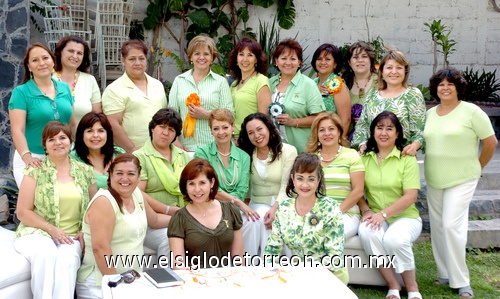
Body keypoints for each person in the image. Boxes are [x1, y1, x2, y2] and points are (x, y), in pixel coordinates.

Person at [424, 68, 498, 298]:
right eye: (441, 84)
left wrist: (478, 167)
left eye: (450, 84)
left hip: (463, 177)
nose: (445, 87)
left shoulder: (471, 111)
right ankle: (444, 273)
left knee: (451, 226)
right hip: (435, 177)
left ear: (458, 87)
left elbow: (490, 142)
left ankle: (461, 281)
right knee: (437, 227)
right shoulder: (431, 114)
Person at [14, 121, 97, 299]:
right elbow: (23, 212)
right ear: (45, 145)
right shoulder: (35, 171)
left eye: (62, 137)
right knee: (46, 252)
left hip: (71, 236)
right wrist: (51, 230)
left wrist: (85, 229)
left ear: (70, 141)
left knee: (67, 260)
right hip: (37, 233)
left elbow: (94, 208)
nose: (58, 142)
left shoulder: (85, 171)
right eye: (51, 139)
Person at [76, 154, 170, 299]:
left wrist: (187, 218)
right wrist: (115, 287)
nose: (124, 179)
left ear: (139, 177)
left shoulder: (136, 194)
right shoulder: (104, 201)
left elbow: (155, 220)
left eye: (131, 174)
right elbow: (100, 249)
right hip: (102, 284)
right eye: (119, 173)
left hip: (131, 281)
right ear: (110, 175)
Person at [357, 111, 422, 299]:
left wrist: (382, 215)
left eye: (389, 128)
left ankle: (412, 288)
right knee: (367, 232)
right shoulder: (364, 158)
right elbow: (356, 191)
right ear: (373, 132)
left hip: (405, 217)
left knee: (394, 239)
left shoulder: (407, 159)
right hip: (376, 214)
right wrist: (366, 209)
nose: (383, 133)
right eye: (379, 128)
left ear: (397, 134)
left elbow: (410, 196)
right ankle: (393, 285)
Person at [264, 152, 347, 284]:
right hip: (297, 274)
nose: (305, 185)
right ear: (292, 178)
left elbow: (334, 255)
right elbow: (272, 249)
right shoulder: (284, 208)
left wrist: (310, 279)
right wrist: (267, 273)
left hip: (329, 276)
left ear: (319, 180)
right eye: (300, 178)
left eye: (311, 179)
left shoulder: (331, 208)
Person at [9, 42, 77, 187]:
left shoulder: (64, 88)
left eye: (45, 58)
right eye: (35, 60)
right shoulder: (21, 93)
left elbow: (72, 124)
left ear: (53, 61)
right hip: (34, 159)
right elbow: (17, 130)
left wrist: (82, 151)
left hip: (64, 156)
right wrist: (27, 158)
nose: (42, 63)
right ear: (29, 67)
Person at [237, 112, 297, 256]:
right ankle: (263, 268)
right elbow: (246, 187)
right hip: (258, 202)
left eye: (259, 129)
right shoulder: (246, 154)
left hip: (285, 202)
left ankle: (288, 268)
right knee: (263, 218)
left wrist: (276, 208)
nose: (256, 135)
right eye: (251, 133)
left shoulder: (288, 151)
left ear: (269, 128)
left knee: (280, 220)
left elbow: (286, 185)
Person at [168, 158, 244, 269]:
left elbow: (239, 257)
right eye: (191, 184)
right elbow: (178, 265)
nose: (197, 189)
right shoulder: (179, 218)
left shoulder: (231, 210)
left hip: (226, 279)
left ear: (212, 183)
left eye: (202, 183)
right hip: (195, 279)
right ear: (185, 186)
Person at [133, 108, 189, 257]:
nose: (166, 133)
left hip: (184, 216)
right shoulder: (140, 157)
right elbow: (138, 193)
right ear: (152, 128)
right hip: (151, 222)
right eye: (162, 127)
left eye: (171, 130)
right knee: (171, 237)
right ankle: (169, 278)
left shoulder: (183, 156)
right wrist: (168, 210)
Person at [351, 50, 425, 157]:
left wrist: (414, 146)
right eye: (389, 67)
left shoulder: (412, 95)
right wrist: (362, 145)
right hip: (372, 156)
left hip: (401, 156)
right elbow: (362, 126)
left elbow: (419, 131)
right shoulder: (373, 94)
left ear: (405, 71)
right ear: (382, 71)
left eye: (399, 68)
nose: (394, 72)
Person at [169, 34, 234, 152]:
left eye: (206, 54)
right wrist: (175, 141)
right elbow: (171, 115)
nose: (201, 57)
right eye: (197, 53)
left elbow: (229, 115)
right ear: (190, 57)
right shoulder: (179, 81)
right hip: (184, 148)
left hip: (213, 148)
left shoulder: (221, 82)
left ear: (212, 58)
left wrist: (207, 115)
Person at [306, 112, 365, 239]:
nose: (327, 133)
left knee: (328, 234)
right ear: (317, 134)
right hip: (316, 213)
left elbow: (358, 191)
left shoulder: (351, 155)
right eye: (322, 130)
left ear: (339, 131)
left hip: (346, 213)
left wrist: (334, 212)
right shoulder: (311, 158)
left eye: (331, 129)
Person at [102, 39, 167, 153]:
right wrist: (132, 149)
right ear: (123, 60)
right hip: (130, 155)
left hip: (160, 151)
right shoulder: (114, 89)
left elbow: (166, 119)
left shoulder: (157, 85)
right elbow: (112, 124)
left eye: (141, 58)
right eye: (132, 59)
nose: (137, 63)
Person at [269, 38, 325, 153]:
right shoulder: (268, 83)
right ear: (276, 60)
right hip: (272, 149)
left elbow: (320, 118)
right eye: (283, 58)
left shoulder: (308, 84)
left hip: (300, 149)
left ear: (299, 62)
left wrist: (293, 122)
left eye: (293, 59)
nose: (288, 63)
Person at [228, 36, 272, 139]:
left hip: (251, 139)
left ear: (256, 59)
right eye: (241, 54)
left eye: (250, 55)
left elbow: (263, 118)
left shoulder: (261, 80)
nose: (245, 59)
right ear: (236, 58)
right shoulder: (234, 84)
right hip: (233, 138)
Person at [53, 35, 101, 123]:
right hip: (50, 135)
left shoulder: (90, 80)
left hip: (81, 135)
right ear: (60, 52)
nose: (75, 56)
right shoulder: (48, 78)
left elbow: (97, 115)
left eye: (79, 53)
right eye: (71, 51)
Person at [71, 112, 125, 189]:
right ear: (81, 135)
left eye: (101, 131)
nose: (95, 135)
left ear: (108, 134)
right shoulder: (73, 159)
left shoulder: (119, 154)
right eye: (90, 131)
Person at [311, 43, 351, 141]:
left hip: (332, 139)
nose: (323, 62)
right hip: (313, 137)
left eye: (328, 59)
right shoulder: (312, 83)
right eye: (319, 59)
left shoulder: (337, 84)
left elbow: (345, 120)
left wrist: (340, 141)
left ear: (335, 64)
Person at [342, 41, 379, 140]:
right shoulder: (343, 84)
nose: (360, 60)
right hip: (349, 140)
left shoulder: (381, 82)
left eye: (364, 56)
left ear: (371, 60)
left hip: (376, 138)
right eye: (355, 57)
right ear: (349, 62)